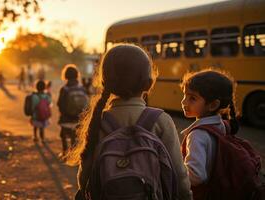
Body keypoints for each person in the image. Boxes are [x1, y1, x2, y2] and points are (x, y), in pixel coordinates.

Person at [67, 45, 192, 200]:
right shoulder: (161, 121)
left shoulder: (98, 121)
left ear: (105, 83)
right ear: (149, 83)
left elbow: (84, 177)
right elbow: (179, 176)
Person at [180, 69, 241, 199]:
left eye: (192, 98)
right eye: (184, 95)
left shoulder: (197, 135)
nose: (184, 102)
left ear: (213, 105)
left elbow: (196, 176)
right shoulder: (222, 125)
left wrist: (175, 170)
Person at [57, 64, 88, 157]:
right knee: (76, 136)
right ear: (76, 75)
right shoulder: (81, 88)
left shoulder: (64, 89)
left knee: (63, 135)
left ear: (65, 75)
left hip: (66, 118)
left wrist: (64, 113)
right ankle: (75, 154)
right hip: (78, 117)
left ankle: (65, 153)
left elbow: (60, 104)